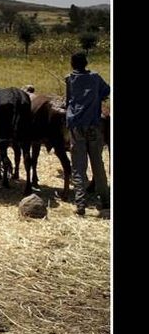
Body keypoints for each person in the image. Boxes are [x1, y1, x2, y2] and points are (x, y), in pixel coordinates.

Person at [65, 52, 110, 215]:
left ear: (72, 64)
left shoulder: (69, 79)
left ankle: (81, 204)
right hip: (94, 125)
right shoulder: (95, 77)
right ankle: (105, 201)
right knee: (98, 165)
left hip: (76, 127)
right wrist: (97, 97)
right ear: (86, 63)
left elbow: (68, 100)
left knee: (78, 166)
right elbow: (107, 91)